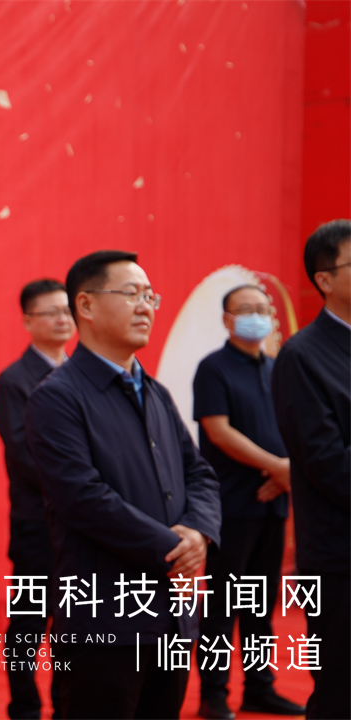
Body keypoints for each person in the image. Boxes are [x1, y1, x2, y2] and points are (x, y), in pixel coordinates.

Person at [25, 250, 221, 719]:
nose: (146, 306)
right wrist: (175, 549)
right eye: (132, 294)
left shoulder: (155, 392)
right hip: (104, 621)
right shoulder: (57, 397)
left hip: (171, 617)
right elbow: (82, 497)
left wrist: (199, 531)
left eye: (150, 296)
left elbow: (199, 472)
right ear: (86, 305)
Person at [192, 285, 305, 720]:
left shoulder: (278, 368)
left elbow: (297, 426)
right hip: (232, 504)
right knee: (222, 603)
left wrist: (285, 473)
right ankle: (213, 694)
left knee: (260, 603)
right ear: (227, 319)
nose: (257, 316)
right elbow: (218, 431)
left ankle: (259, 688)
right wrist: (278, 468)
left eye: (263, 308)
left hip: (273, 502)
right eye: (246, 309)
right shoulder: (213, 368)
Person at [271, 219, 350, 720]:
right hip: (341, 559)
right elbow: (328, 464)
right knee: (342, 694)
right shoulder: (302, 356)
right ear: (325, 279)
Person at [0, 279, 74, 719]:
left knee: (74, 623)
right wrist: (85, 485)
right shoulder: (15, 380)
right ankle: (23, 708)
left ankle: (66, 705)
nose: (63, 319)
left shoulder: (83, 375)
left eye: (67, 310)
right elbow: (26, 455)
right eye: (51, 312)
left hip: (81, 524)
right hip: (37, 524)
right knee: (29, 621)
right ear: (28, 321)